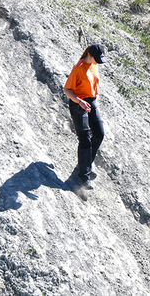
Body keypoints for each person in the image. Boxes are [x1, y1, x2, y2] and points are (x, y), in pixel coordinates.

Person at [63, 43, 106, 189]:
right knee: (85, 137)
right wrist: (79, 101)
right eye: (96, 58)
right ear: (90, 55)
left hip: (91, 101)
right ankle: (83, 176)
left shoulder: (94, 64)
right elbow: (67, 89)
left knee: (99, 133)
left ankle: (85, 163)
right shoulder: (78, 68)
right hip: (78, 103)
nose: (98, 62)